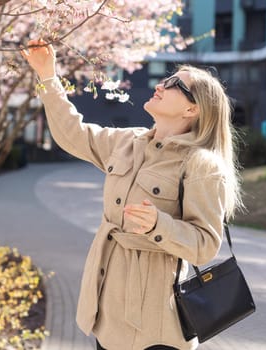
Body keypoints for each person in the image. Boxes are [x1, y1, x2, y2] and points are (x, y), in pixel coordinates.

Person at [21, 39, 243, 350]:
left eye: (176, 84)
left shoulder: (202, 164)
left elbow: (205, 246)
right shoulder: (128, 142)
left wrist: (158, 225)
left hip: (156, 330)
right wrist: (47, 76)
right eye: (166, 78)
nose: (162, 85)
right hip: (108, 320)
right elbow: (72, 133)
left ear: (192, 109)